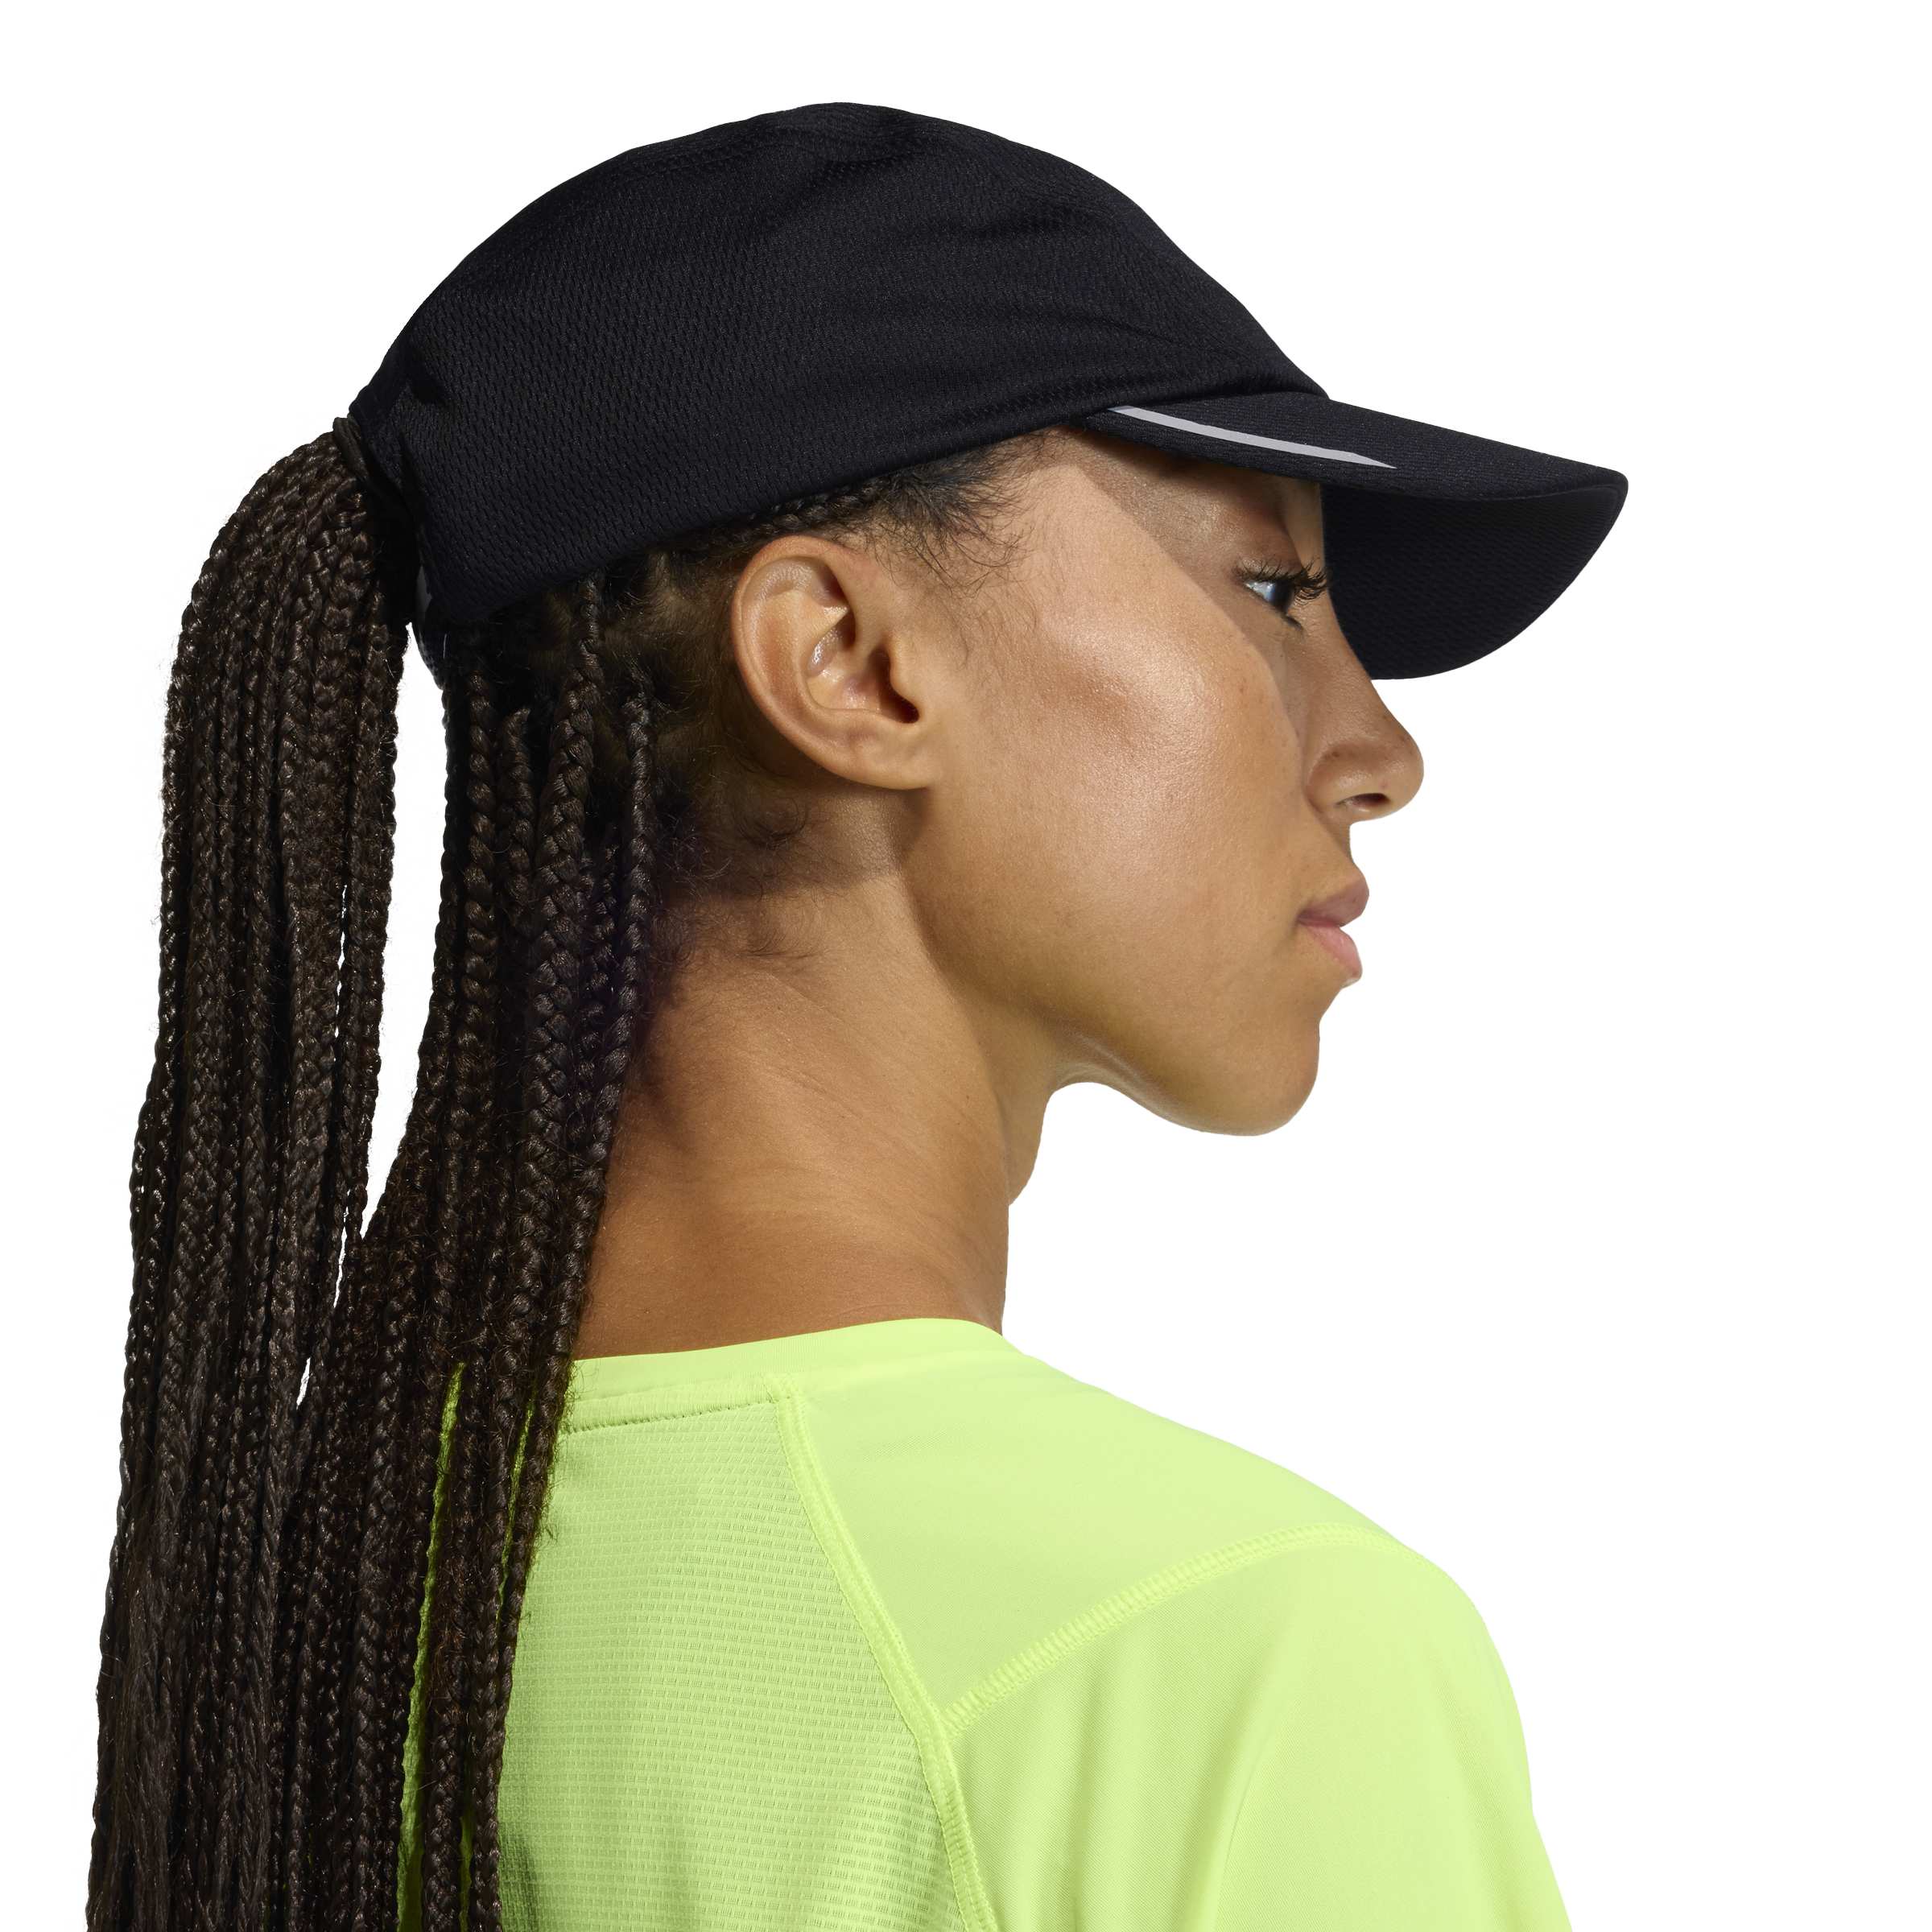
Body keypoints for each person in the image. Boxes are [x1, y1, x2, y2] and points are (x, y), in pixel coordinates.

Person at [87, 101, 1624, 1932]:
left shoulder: (293, 1636)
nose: (1381, 750)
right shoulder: (1235, 1656)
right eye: (1274, 589)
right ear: (847, 663)